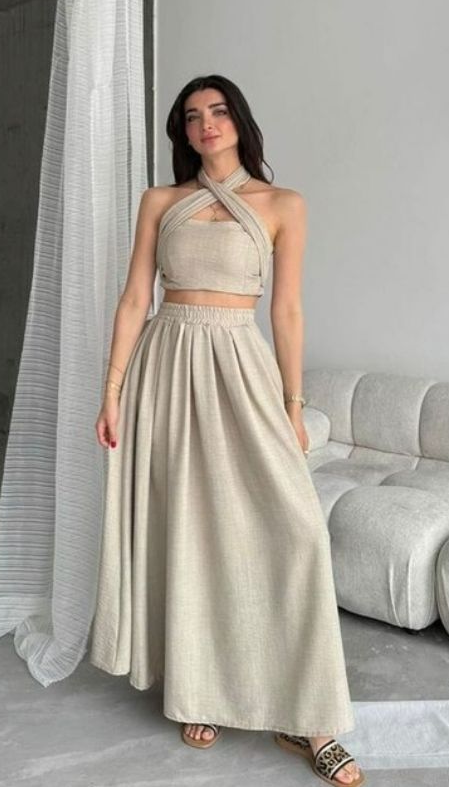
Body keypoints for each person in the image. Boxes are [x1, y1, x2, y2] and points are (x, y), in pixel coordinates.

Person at [90, 75, 364, 787]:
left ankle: (310, 718)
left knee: (296, 532)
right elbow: (134, 298)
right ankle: (198, 689)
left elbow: (287, 310)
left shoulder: (283, 204)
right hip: (166, 364)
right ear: (182, 132)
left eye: (217, 111)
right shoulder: (160, 201)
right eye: (191, 116)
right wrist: (111, 390)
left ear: (239, 121)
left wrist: (293, 404)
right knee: (187, 529)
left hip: (240, 365)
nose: (205, 124)